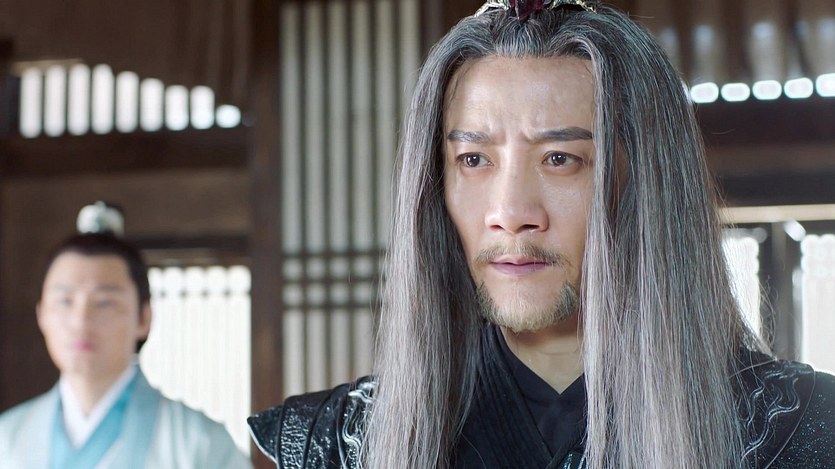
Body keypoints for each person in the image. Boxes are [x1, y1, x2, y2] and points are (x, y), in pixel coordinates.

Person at [248, 1, 835, 468]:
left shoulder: (797, 431)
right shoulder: (340, 444)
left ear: (644, 183)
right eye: (474, 160)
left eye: (560, 159)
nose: (510, 212)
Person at [0, 229, 252, 468]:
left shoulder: (200, 443)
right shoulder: (7, 438)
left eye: (104, 302)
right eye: (65, 300)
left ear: (143, 318)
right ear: (41, 314)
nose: (81, 321)